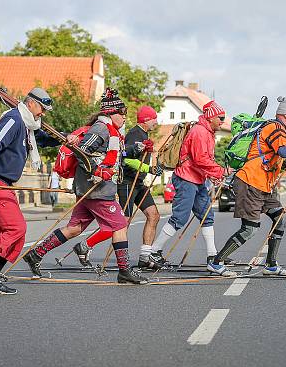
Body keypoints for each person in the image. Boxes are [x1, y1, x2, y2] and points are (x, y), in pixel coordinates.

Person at [22, 89, 148, 285]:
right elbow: (82, 153)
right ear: (109, 113)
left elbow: (114, 157)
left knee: (75, 228)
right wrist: (98, 171)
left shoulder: (112, 132)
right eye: (121, 113)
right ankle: (124, 271)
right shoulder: (101, 129)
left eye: (125, 113)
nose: (124, 117)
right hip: (97, 190)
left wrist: (136, 149)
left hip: (92, 189)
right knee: (120, 225)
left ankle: (36, 254)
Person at [0, 88, 76, 296]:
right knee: (16, 228)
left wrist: (64, 138)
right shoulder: (14, 120)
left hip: (3, 183)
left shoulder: (27, 125)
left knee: (12, 231)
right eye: (41, 109)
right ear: (30, 103)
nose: (43, 114)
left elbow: (44, 139)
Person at [209, 96, 286, 277]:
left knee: (280, 219)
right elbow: (284, 151)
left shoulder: (278, 131)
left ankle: (271, 265)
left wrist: (283, 164)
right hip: (250, 183)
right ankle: (216, 262)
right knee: (250, 229)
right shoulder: (275, 128)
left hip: (264, 186)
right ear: (285, 115)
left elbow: (271, 155)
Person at [149, 100, 228, 273]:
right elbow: (200, 159)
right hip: (186, 179)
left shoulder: (208, 132)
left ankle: (212, 256)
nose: (223, 121)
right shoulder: (200, 132)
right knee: (180, 218)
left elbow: (203, 161)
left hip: (197, 180)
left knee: (207, 216)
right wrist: (221, 171)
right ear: (211, 117)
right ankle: (154, 252)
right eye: (221, 117)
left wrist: (212, 175)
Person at [114, 105, 162, 269]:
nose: (156, 121)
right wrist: (148, 169)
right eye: (154, 118)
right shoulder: (135, 133)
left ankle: (145, 257)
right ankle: (89, 246)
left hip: (139, 183)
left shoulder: (145, 134)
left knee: (154, 215)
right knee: (124, 223)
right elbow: (125, 158)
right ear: (146, 119)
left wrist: (155, 165)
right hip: (128, 182)